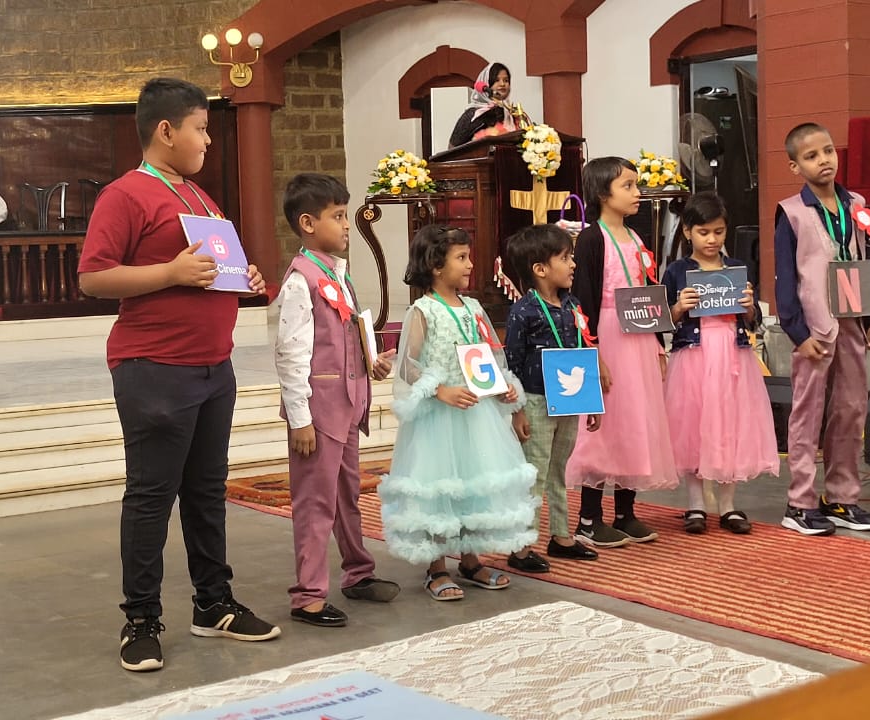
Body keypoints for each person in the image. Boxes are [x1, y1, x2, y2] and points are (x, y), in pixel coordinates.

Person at [77, 77, 279, 673]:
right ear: (165, 131)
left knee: (207, 491)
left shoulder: (199, 197)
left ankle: (213, 602)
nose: (208, 140)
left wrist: (243, 279)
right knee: (151, 497)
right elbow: (93, 277)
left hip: (214, 366)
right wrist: (169, 273)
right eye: (201, 128)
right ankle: (140, 619)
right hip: (155, 367)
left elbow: (208, 271)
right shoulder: (126, 194)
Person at [378, 225, 538, 600]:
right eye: (461, 258)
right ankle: (436, 567)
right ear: (436, 265)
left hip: (475, 414)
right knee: (441, 487)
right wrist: (440, 389)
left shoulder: (474, 308)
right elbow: (408, 366)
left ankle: (469, 559)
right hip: (440, 417)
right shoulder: (423, 310)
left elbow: (489, 356)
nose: (470, 265)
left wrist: (502, 388)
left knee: (472, 483)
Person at [274, 173, 401, 627]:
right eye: (338, 216)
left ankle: (358, 571)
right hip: (319, 409)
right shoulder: (300, 280)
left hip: (347, 401)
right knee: (315, 500)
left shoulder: (336, 273)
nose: (347, 225)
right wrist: (300, 418)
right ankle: (308, 594)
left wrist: (371, 362)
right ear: (308, 223)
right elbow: (291, 353)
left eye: (347, 215)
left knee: (347, 492)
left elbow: (346, 334)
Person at [774, 122, 870, 536]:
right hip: (814, 329)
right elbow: (785, 278)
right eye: (811, 156)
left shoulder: (856, 204)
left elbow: (866, 260)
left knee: (851, 409)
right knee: (808, 414)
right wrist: (797, 333)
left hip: (853, 320)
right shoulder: (791, 213)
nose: (823, 160)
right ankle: (800, 502)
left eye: (827, 151)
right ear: (795, 166)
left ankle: (841, 498)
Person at [566, 156, 678, 546]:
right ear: (602, 194)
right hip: (608, 338)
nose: (637, 193)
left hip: (638, 338)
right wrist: (592, 352)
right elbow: (583, 299)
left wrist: (658, 343)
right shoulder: (592, 239)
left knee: (635, 421)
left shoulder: (637, 238)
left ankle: (626, 512)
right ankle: (589, 518)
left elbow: (649, 294)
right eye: (627, 186)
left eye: (636, 185)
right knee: (604, 425)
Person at [662, 192, 779, 535]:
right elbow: (663, 321)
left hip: (732, 353)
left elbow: (752, 320)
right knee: (692, 425)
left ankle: (728, 504)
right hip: (693, 355)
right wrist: (679, 307)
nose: (711, 239)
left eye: (718, 232)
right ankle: (695, 503)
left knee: (732, 423)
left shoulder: (736, 268)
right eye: (703, 232)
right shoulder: (677, 271)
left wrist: (749, 306)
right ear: (687, 232)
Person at [504, 224, 605, 566]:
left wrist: (591, 401)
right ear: (540, 269)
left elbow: (581, 351)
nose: (573, 264)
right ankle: (522, 546)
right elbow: (513, 363)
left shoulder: (572, 305)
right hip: (536, 400)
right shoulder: (524, 311)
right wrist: (517, 409)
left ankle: (561, 536)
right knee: (534, 473)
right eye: (565, 258)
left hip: (570, 400)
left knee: (559, 470)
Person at [447, 62, 530, 148]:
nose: (502, 84)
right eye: (497, 80)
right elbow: (452, 148)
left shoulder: (513, 114)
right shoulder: (473, 114)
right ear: (487, 84)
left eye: (506, 80)